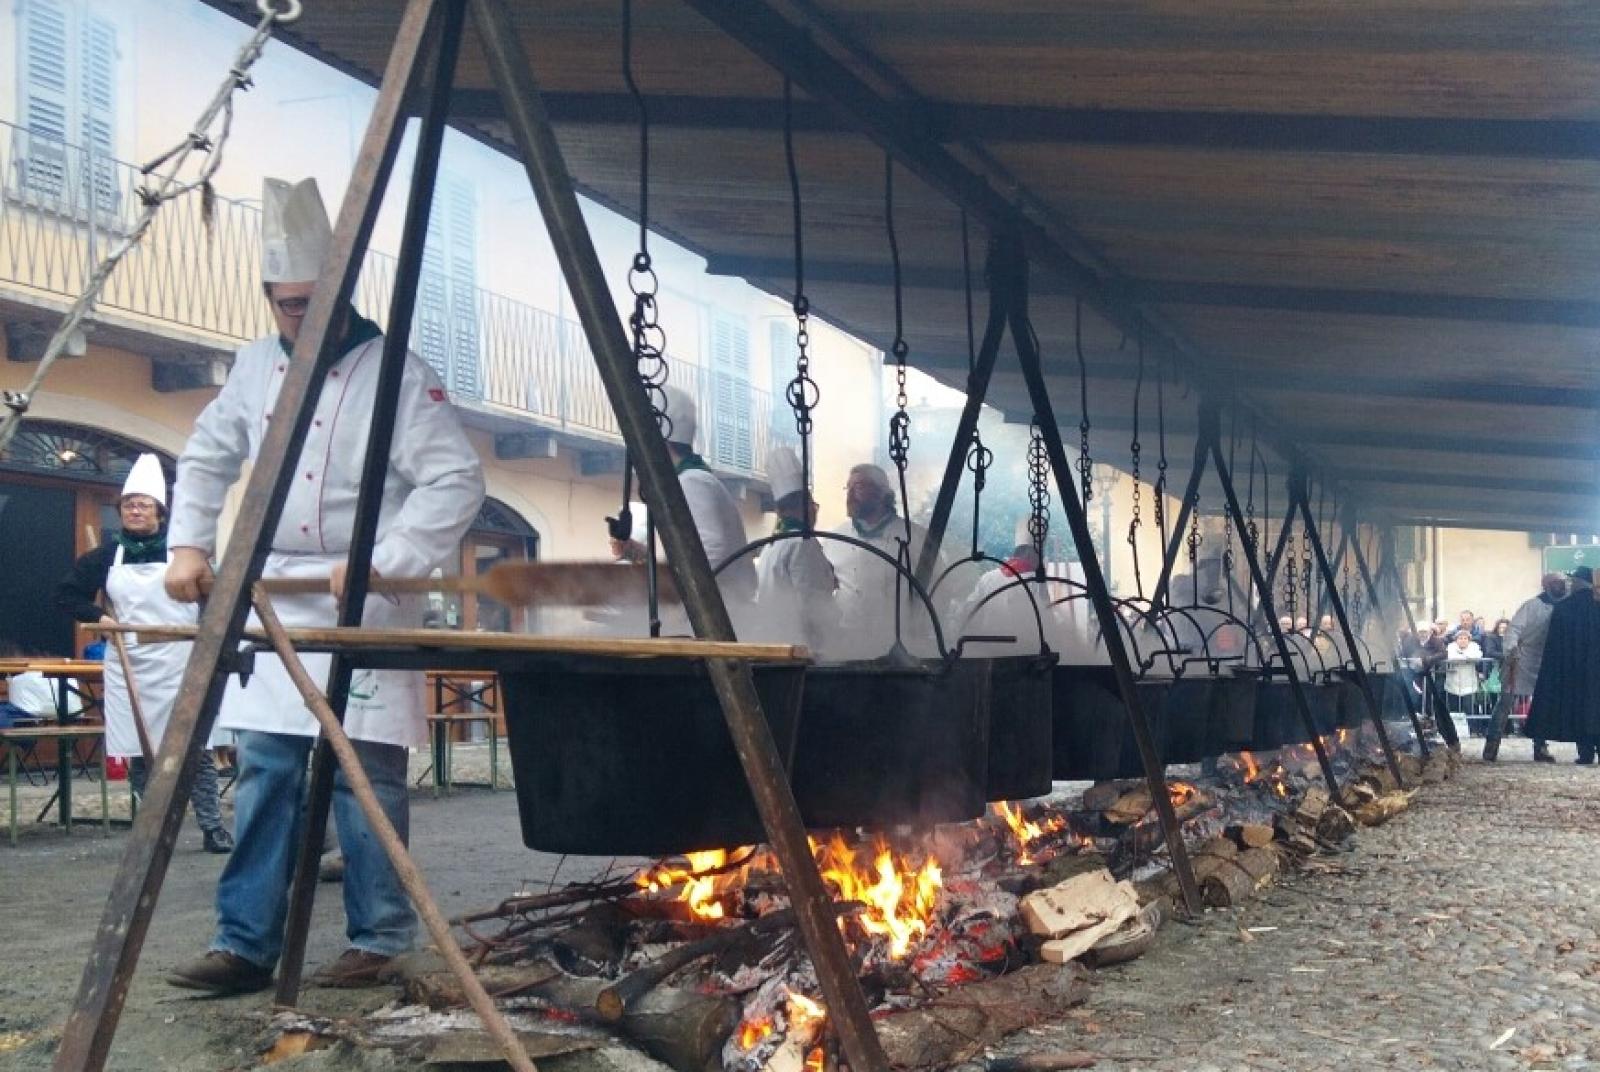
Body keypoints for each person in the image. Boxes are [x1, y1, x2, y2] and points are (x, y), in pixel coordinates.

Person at [162, 178, 486, 995]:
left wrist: (386, 555)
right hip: (276, 591)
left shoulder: (395, 372)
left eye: (314, 302)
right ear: (270, 300)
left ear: (342, 293)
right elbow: (207, 456)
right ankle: (245, 943)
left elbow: (455, 479)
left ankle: (380, 938)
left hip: (366, 593)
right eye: (288, 305)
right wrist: (189, 544)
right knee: (266, 766)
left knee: (361, 773)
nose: (301, 318)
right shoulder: (253, 366)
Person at [54, 454, 232, 853]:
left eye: (143, 505)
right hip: (129, 660)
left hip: (182, 659)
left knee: (196, 748)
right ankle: (153, 829)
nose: (135, 511)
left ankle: (212, 826)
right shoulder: (105, 557)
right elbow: (66, 595)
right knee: (140, 750)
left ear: (159, 513)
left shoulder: (185, 554)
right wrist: (99, 617)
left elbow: (218, 596)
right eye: (129, 505)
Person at [610, 385, 757, 614]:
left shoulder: (692, 482)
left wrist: (675, 598)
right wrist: (643, 554)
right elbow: (691, 553)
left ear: (659, 443)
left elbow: (711, 550)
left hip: (721, 612)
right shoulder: (694, 480)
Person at [825, 462, 954, 659]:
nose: (849, 496)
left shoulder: (915, 538)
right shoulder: (835, 539)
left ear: (881, 493)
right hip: (848, 646)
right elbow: (823, 588)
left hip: (899, 649)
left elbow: (940, 590)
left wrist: (920, 632)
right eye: (847, 488)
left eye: (858, 487)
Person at [752, 446, 838, 656]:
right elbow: (814, 607)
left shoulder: (773, 544)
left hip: (775, 644)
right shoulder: (803, 543)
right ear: (806, 506)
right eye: (813, 505)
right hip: (801, 649)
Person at [1486, 577, 1567, 762]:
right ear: (1547, 586)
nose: (1561, 587)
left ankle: (1540, 747)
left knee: (1542, 705)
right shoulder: (1532, 606)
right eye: (1557, 584)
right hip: (1521, 660)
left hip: (1545, 660)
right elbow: (1514, 629)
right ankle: (1492, 745)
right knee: (1505, 702)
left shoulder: (1563, 607)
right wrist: (1511, 651)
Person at [1525, 567, 1600, 764]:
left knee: (1580, 711)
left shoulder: (1564, 608)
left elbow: (1554, 646)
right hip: (1596, 672)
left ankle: (1585, 754)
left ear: (1577, 583)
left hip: (1573, 673)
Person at [1442, 630, 1484, 727]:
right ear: (1456, 639)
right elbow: (1451, 657)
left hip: (1469, 685)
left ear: (1469, 640)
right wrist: (1466, 658)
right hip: (1453, 684)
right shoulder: (1451, 647)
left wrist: (1462, 655)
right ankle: (1455, 729)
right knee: (1454, 709)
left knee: (1469, 709)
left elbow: (1477, 656)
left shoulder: (1474, 646)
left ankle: (1471, 729)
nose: (1463, 640)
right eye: (1460, 638)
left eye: (1465, 638)